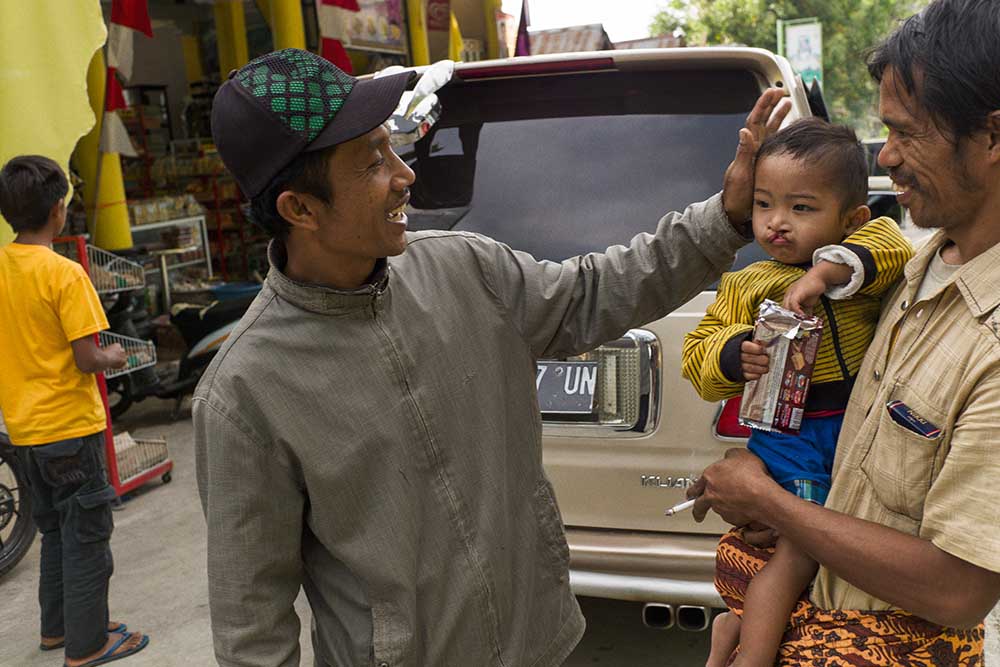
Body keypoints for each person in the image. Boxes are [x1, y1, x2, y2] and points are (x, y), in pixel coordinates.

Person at [193, 48, 789, 666]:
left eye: (391, 146)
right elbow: (251, 627)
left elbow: (593, 292)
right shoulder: (245, 391)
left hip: (539, 644)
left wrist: (724, 219)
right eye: (371, 162)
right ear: (299, 208)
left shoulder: (464, 269)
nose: (405, 175)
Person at [688, 0, 1000, 664]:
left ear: (992, 139)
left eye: (906, 132)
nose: (886, 154)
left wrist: (767, 500)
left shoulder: (979, 328)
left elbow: (958, 588)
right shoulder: (917, 271)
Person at [681, 119, 913, 667]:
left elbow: (890, 242)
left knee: (844, 554)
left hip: (855, 430)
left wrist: (820, 275)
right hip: (791, 438)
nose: (777, 223)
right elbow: (699, 354)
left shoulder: (862, 262)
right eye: (764, 205)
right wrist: (735, 353)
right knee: (798, 554)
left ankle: (732, 630)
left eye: (801, 208)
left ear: (850, 218)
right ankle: (749, 657)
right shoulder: (746, 283)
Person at [0, 155, 149, 667]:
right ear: (58, 211)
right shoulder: (64, 274)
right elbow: (88, 357)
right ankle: (88, 646)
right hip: (69, 426)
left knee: (56, 531)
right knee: (87, 535)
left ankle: (58, 629)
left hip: (25, 431)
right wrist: (116, 354)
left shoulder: (2, 267)